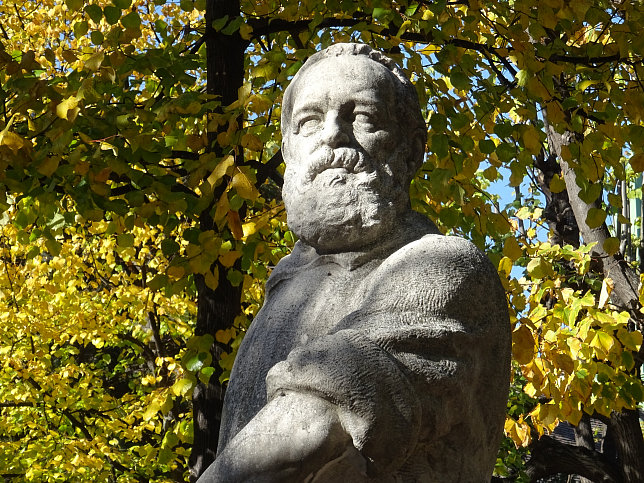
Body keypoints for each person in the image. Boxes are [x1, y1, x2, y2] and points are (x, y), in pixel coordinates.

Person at [198, 43, 511, 482]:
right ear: (288, 150)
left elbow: (317, 421)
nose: (332, 135)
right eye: (309, 121)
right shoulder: (285, 292)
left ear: (411, 150)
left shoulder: (443, 267)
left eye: (361, 117)